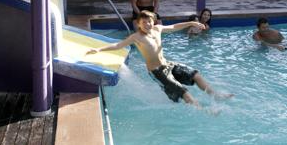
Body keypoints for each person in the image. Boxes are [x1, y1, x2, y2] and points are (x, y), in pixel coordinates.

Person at [86, 10, 233, 106]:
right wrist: (98, 49)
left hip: (167, 64)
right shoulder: (136, 37)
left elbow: (174, 27)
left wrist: (191, 22)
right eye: (144, 22)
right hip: (157, 71)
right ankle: (204, 111)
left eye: (149, 21)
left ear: (153, 21)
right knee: (184, 93)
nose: (148, 24)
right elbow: (119, 45)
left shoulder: (157, 29)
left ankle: (215, 95)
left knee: (195, 74)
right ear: (139, 24)